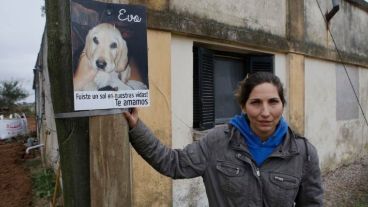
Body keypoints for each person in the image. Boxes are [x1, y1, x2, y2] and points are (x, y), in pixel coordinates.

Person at [123, 72, 323, 207]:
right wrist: (136, 127)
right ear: (243, 106)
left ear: (282, 105)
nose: (265, 112)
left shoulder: (303, 153)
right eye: (255, 103)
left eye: (273, 102)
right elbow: (172, 163)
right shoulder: (217, 142)